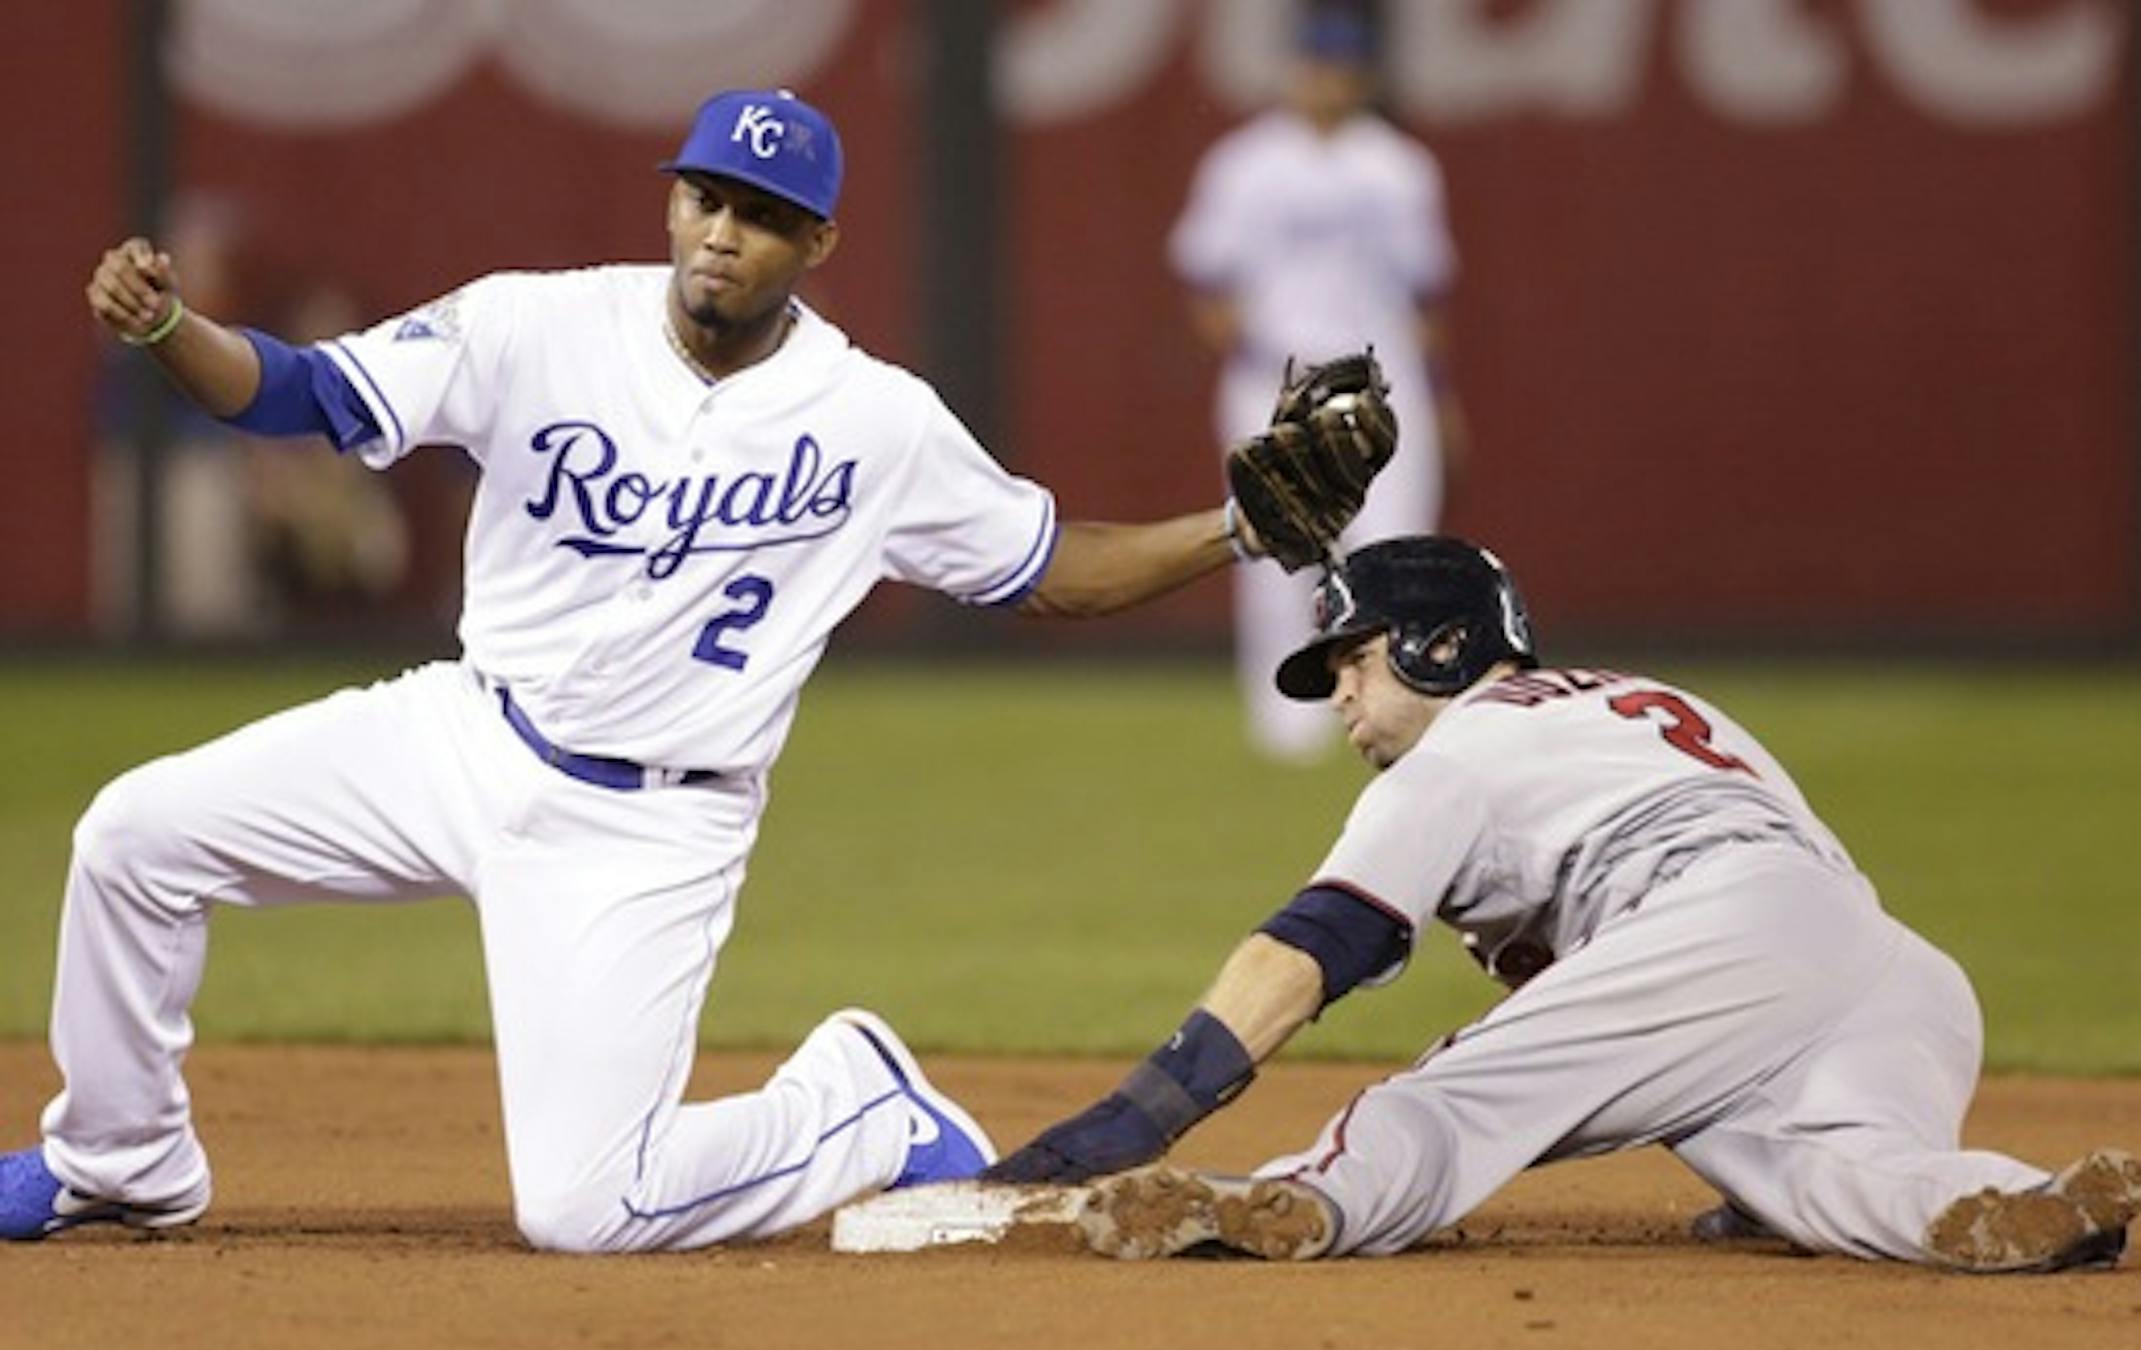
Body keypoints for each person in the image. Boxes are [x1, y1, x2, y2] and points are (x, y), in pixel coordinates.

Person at [0, 88, 1334, 1253]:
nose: (718, 230)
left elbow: (1049, 561)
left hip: (645, 824)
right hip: (465, 731)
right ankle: (119, 1164)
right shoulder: (536, 327)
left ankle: (856, 1099)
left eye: (758, 213)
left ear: (816, 244)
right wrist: (172, 325)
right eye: (703, 195)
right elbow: (297, 392)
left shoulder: (874, 418)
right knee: (133, 836)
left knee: (585, 1209)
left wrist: (1232, 527)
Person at [986, 536, 2141, 1273]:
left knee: (1445, 1106)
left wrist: (1140, 1114)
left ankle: (1303, 1201)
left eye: (1356, 658)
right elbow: (1794, 900)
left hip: (1720, 932)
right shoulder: (1641, 698)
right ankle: (2011, 1203)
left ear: (1442, 648)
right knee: (1818, 1176)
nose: (1337, 691)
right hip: (1895, 975)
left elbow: (1317, 945)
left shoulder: (1461, 752)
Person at [1169, 6, 1465, 762]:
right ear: (1295, 69)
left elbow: (1424, 297)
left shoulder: (1398, 166)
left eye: (1340, 67)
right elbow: (1206, 283)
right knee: (1276, 548)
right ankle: (1286, 729)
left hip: (1381, 386)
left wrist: (1440, 395)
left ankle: (1404, 714)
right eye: (1315, 64)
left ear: (1361, 76)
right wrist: (1257, 363)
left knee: (1397, 551)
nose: (1326, 80)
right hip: (1280, 380)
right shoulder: (1246, 163)